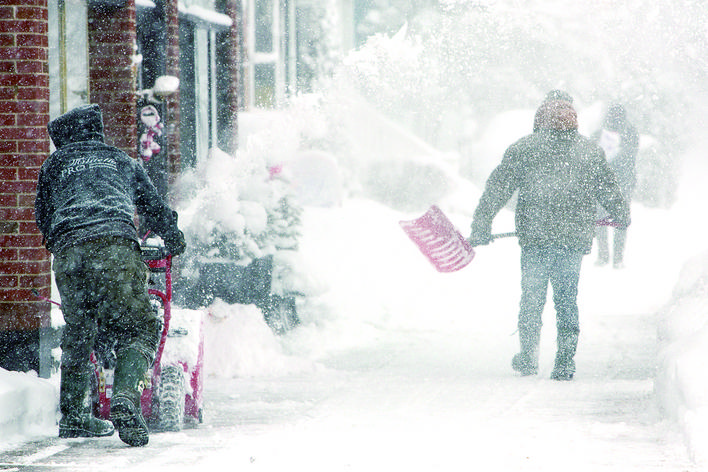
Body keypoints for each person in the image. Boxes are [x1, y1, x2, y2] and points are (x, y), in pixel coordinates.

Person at [35, 104, 186, 446]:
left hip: (69, 251)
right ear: (96, 131)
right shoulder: (121, 160)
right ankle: (125, 399)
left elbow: (42, 215)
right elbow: (153, 207)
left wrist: (63, 242)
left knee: (80, 330)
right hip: (114, 246)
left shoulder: (54, 165)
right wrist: (174, 238)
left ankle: (74, 416)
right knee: (141, 325)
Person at [468, 92, 630, 381]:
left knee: (532, 298)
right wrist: (620, 213)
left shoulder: (524, 149)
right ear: (574, 121)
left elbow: (497, 189)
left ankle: (528, 358)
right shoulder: (589, 152)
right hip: (573, 239)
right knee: (567, 300)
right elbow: (609, 189)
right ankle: (565, 361)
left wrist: (482, 224)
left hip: (536, 239)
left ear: (539, 120)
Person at [593, 103, 638, 269]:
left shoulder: (599, 134)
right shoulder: (630, 134)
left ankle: (604, 256)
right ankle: (616, 258)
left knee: (601, 220)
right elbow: (631, 157)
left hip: (605, 183)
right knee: (619, 221)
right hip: (621, 184)